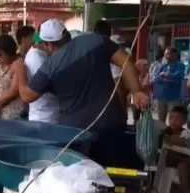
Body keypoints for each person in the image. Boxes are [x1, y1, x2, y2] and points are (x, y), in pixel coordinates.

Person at [17, 27, 149, 165]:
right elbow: (126, 61)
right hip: (111, 123)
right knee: (115, 174)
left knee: (84, 177)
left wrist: (20, 71)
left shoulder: (50, 66)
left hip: (77, 134)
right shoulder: (95, 40)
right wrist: (136, 91)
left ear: (49, 45)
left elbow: (27, 96)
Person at [20, 20, 65, 124]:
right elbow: (28, 95)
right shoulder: (37, 59)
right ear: (47, 44)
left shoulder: (44, 54)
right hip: (45, 119)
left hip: (52, 116)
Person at [160, 105, 190, 193]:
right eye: (171, 117)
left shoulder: (186, 133)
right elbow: (168, 143)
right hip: (168, 160)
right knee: (183, 165)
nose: (173, 121)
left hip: (182, 159)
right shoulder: (166, 133)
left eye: (177, 118)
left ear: (184, 121)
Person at [152, 47, 185, 122]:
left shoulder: (180, 66)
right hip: (161, 97)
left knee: (174, 119)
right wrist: (166, 79)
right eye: (165, 54)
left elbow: (179, 76)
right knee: (161, 120)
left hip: (173, 97)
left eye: (168, 54)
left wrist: (167, 75)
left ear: (174, 54)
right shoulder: (162, 65)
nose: (166, 56)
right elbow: (156, 78)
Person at [133, 58, 151, 123]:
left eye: (147, 65)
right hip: (135, 101)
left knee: (145, 119)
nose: (147, 67)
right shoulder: (134, 76)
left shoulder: (149, 76)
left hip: (146, 101)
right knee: (136, 118)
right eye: (144, 65)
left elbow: (146, 88)